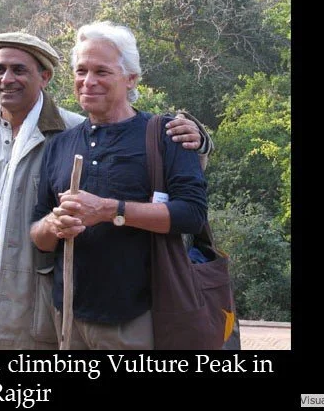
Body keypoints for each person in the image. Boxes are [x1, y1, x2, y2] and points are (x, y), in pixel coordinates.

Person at [0, 31, 208, 349]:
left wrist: (200, 140)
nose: (7, 79)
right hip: (13, 306)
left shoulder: (68, 131)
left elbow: (190, 206)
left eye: (19, 70)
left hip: (93, 311)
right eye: (0, 69)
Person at [29, 21, 208, 350]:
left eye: (101, 71)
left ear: (131, 79)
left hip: (137, 316)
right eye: (81, 70)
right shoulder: (59, 144)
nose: (88, 81)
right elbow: (38, 237)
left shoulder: (166, 134)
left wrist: (111, 210)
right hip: (67, 315)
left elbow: (191, 214)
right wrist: (53, 225)